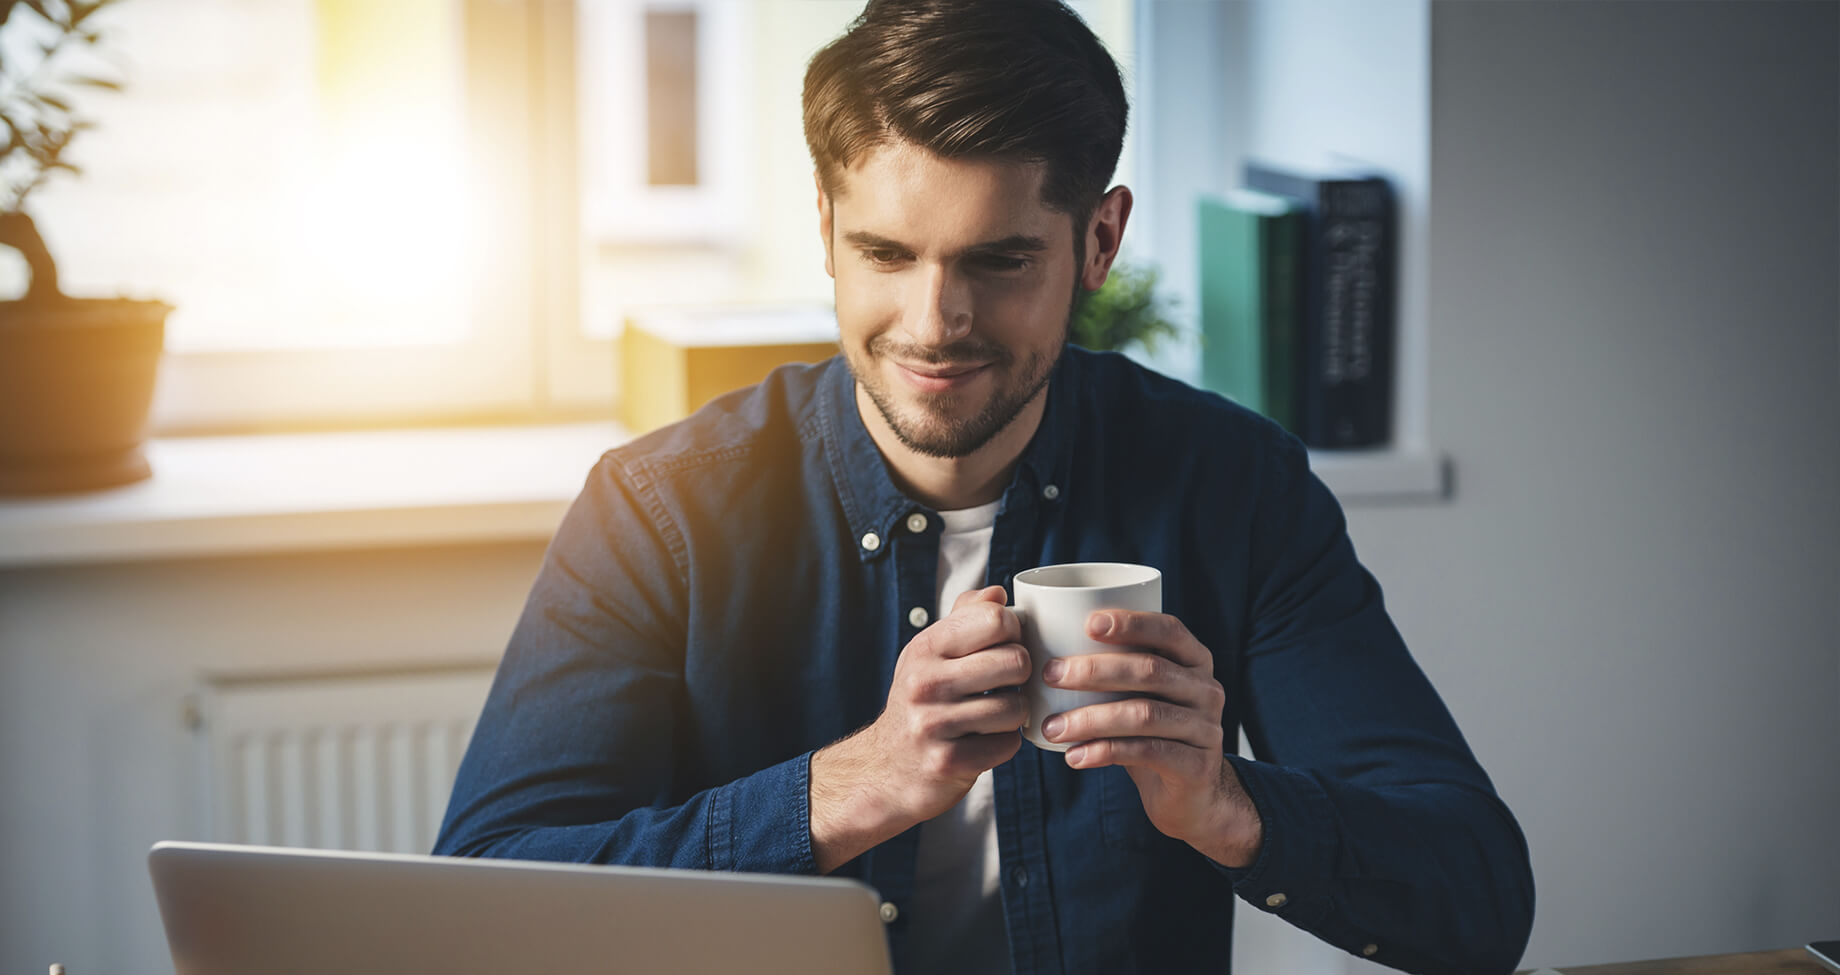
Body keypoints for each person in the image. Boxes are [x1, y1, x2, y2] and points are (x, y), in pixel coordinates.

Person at [434, 1, 1535, 972]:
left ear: (1099, 241)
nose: (935, 325)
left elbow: (1478, 903)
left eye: (999, 262)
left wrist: (1230, 807)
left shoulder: (1232, 485)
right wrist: (848, 788)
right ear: (824, 229)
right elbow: (478, 908)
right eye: (888, 254)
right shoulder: (656, 511)